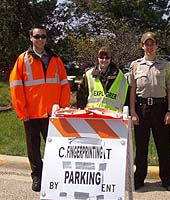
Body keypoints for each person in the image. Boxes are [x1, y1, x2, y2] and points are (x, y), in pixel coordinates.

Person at [9, 25, 70, 192]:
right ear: (31, 38)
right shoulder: (22, 59)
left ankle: (54, 175)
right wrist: (22, 112)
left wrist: (62, 109)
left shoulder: (55, 59)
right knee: (33, 148)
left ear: (46, 39)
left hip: (53, 113)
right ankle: (37, 176)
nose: (40, 39)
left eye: (43, 36)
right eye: (37, 36)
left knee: (55, 147)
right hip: (32, 113)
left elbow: (64, 84)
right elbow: (16, 86)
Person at [128, 32, 170, 191]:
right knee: (141, 147)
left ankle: (167, 179)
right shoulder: (135, 65)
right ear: (142, 46)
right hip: (142, 109)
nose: (149, 47)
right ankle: (139, 178)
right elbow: (132, 91)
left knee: (163, 146)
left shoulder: (165, 65)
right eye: (146, 44)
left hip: (160, 108)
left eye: (152, 44)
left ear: (156, 46)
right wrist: (133, 112)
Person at [76, 46, 128, 112]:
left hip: (114, 117)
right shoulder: (88, 75)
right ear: (98, 58)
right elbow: (81, 97)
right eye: (101, 57)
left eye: (107, 58)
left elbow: (126, 98)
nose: (104, 60)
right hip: (92, 116)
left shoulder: (120, 76)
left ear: (110, 59)